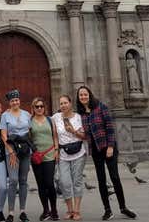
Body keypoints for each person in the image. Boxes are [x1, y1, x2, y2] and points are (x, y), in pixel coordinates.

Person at [76, 86, 136, 221]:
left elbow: (109, 127)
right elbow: (86, 135)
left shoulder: (100, 107)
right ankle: (107, 210)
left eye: (85, 94)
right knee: (101, 180)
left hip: (108, 148)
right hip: (96, 150)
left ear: (89, 95)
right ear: (78, 98)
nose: (83, 97)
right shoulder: (81, 114)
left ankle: (123, 207)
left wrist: (110, 147)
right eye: (81, 95)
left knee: (114, 177)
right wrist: (73, 131)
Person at [52, 95, 87, 221]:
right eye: (61, 103)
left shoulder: (79, 118)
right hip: (63, 153)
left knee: (77, 181)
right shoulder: (55, 117)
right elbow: (55, 135)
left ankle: (76, 210)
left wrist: (73, 131)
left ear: (70, 103)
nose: (63, 105)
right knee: (64, 182)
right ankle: (69, 209)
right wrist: (56, 150)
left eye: (65, 103)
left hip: (78, 153)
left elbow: (84, 136)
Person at [0, 89, 32, 222]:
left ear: (19, 101)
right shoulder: (5, 116)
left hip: (25, 151)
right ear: (9, 102)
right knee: (13, 180)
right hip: (11, 151)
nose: (15, 102)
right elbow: (3, 135)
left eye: (17, 100)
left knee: (23, 180)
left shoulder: (27, 115)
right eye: (12, 100)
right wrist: (11, 151)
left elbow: (30, 132)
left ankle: (23, 211)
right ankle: (11, 212)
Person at [29, 97, 59, 221]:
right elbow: (29, 138)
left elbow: (55, 136)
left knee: (49, 183)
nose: (40, 108)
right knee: (41, 185)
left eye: (41, 106)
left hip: (50, 154)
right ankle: (45, 210)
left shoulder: (50, 120)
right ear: (33, 108)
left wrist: (57, 150)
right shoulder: (30, 121)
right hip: (36, 157)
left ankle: (54, 210)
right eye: (37, 107)